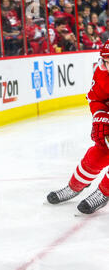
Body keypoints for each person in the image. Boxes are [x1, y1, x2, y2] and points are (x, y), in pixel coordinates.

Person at [47, 40, 109, 214]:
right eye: (108, 62)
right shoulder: (102, 73)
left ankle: (104, 192)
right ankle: (74, 186)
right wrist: (100, 117)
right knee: (98, 152)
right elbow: (96, 99)